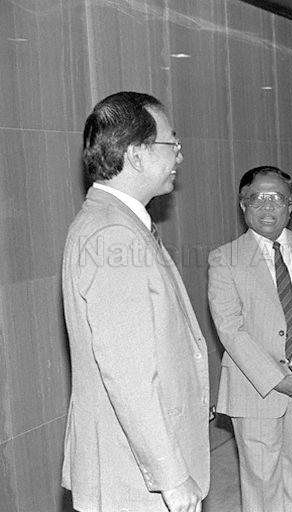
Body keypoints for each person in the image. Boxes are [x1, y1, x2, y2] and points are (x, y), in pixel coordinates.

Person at [61, 91, 209, 512]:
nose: (179, 156)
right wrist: (173, 480)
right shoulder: (113, 234)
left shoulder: (116, 221)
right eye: (172, 144)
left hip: (130, 463)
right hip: (134, 477)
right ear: (137, 154)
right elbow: (129, 378)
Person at [207, 166, 292, 512]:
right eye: (258, 199)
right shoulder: (225, 259)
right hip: (256, 386)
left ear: (291, 205)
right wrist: (279, 380)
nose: (268, 207)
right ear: (243, 205)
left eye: (278, 199)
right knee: (261, 480)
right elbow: (231, 330)